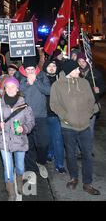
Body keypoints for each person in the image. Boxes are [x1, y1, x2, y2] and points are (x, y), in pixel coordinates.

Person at [50, 60, 100, 195]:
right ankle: (74, 178)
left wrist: (91, 112)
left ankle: (87, 183)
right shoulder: (57, 85)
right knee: (71, 154)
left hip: (84, 125)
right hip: (68, 127)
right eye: (76, 69)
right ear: (68, 71)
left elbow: (91, 100)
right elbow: (54, 104)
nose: (79, 71)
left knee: (87, 155)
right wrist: (65, 117)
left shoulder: (84, 83)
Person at [0, 77, 35, 201]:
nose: (10, 89)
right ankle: (11, 192)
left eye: (13, 87)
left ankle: (20, 182)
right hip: (4, 140)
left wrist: (24, 128)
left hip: (20, 140)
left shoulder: (24, 104)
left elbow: (31, 121)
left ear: (17, 89)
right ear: (4, 89)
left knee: (20, 166)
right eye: (7, 87)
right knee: (8, 167)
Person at [19, 56, 51, 179]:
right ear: (24, 69)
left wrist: (36, 81)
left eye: (33, 69)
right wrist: (28, 83)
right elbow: (17, 91)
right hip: (25, 117)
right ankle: (31, 169)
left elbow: (48, 90)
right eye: (28, 69)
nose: (30, 72)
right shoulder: (19, 76)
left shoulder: (42, 76)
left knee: (43, 143)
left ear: (36, 68)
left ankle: (40, 162)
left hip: (40, 116)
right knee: (28, 144)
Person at [77, 52, 105, 146]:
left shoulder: (95, 72)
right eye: (79, 61)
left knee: (89, 128)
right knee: (79, 128)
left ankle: (88, 149)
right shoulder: (76, 73)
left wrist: (99, 89)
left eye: (83, 61)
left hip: (92, 105)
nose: (81, 63)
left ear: (87, 61)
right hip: (79, 105)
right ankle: (79, 148)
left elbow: (103, 85)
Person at [43, 59, 66, 174]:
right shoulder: (41, 79)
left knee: (58, 139)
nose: (52, 68)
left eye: (54, 66)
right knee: (47, 138)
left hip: (56, 115)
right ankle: (50, 153)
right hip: (42, 114)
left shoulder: (61, 80)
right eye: (49, 66)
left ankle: (60, 164)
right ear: (45, 67)